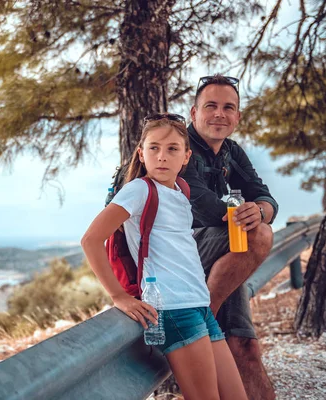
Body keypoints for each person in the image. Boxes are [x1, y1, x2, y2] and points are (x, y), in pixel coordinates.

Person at [81, 114, 248, 400]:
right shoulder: (137, 190)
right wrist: (118, 296)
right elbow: (91, 240)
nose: (162, 156)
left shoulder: (181, 191)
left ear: (186, 156)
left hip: (200, 305)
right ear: (141, 153)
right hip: (174, 310)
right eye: (154, 148)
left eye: (172, 149)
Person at [182, 74, 278, 400]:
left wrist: (260, 211)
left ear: (237, 117)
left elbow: (266, 198)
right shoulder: (179, 147)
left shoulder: (231, 153)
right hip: (180, 255)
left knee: (245, 345)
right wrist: (250, 217)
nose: (219, 114)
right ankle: (204, 318)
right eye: (211, 106)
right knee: (258, 236)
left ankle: (202, 324)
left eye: (228, 107)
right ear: (194, 113)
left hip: (222, 254)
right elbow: (205, 208)